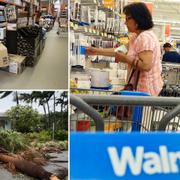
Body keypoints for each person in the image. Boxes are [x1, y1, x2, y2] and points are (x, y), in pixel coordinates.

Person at [86, 2, 163, 96]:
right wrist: (97, 51)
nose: (125, 22)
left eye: (127, 19)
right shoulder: (136, 37)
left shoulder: (145, 37)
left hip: (145, 92)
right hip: (138, 90)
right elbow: (120, 50)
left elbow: (146, 66)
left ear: (138, 19)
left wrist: (125, 59)